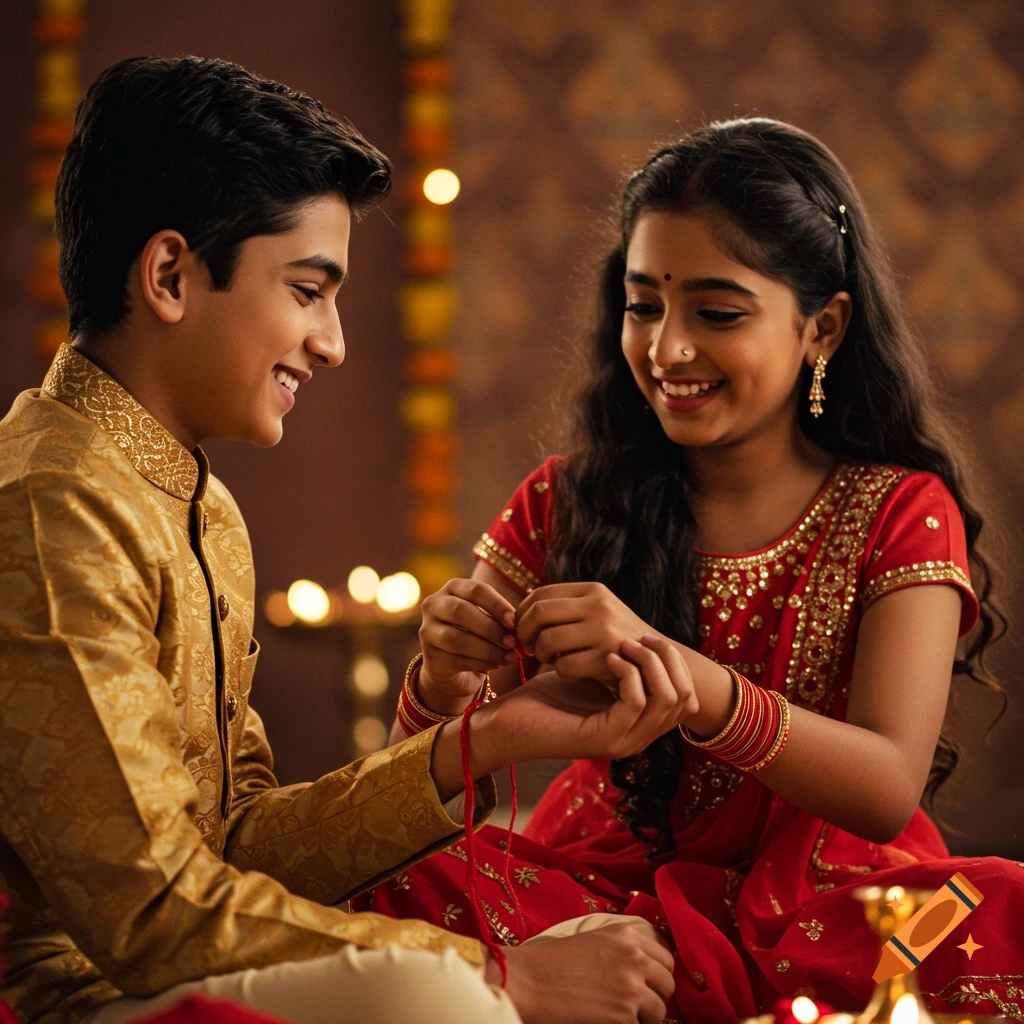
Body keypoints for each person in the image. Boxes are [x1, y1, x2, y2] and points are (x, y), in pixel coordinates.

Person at [0, 55, 684, 1024]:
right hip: (88, 998)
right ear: (169, 275)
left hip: (197, 958)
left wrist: (488, 735)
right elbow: (148, 912)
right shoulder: (50, 503)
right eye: (307, 290)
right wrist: (493, 978)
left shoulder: (198, 504)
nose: (332, 341)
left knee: (589, 943)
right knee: (444, 993)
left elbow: (239, 844)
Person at [371, 117, 1024, 1023]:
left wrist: (681, 678)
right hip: (600, 891)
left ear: (823, 327)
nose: (668, 349)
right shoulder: (564, 501)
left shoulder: (896, 510)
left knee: (1006, 916)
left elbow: (884, 789)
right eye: (644, 306)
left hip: (824, 904)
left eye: (716, 313)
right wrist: (440, 686)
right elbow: (413, 801)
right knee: (390, 888)